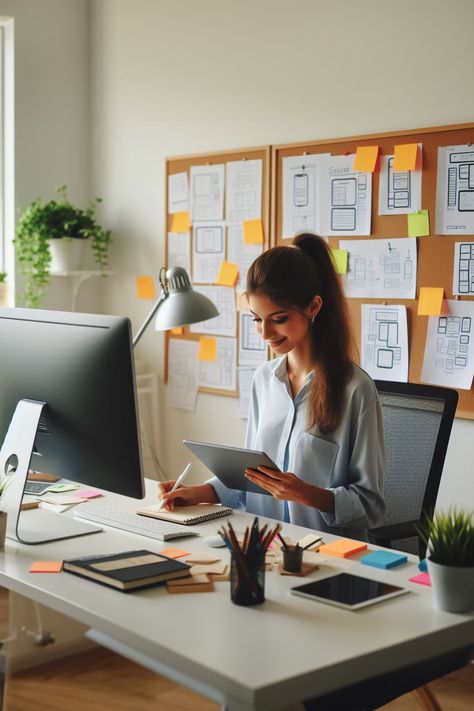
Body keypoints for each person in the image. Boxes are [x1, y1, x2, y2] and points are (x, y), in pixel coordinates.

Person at [159, 232, 385, 540]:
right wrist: (200, 492)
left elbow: (369, 506)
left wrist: (307, 494)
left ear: (313, 307)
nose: (265, 332)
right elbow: (252, 481)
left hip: (325, 556)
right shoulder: (264, 380)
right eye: (256, 319)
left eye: (278, 319)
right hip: (261, 547)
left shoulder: (356, 390)